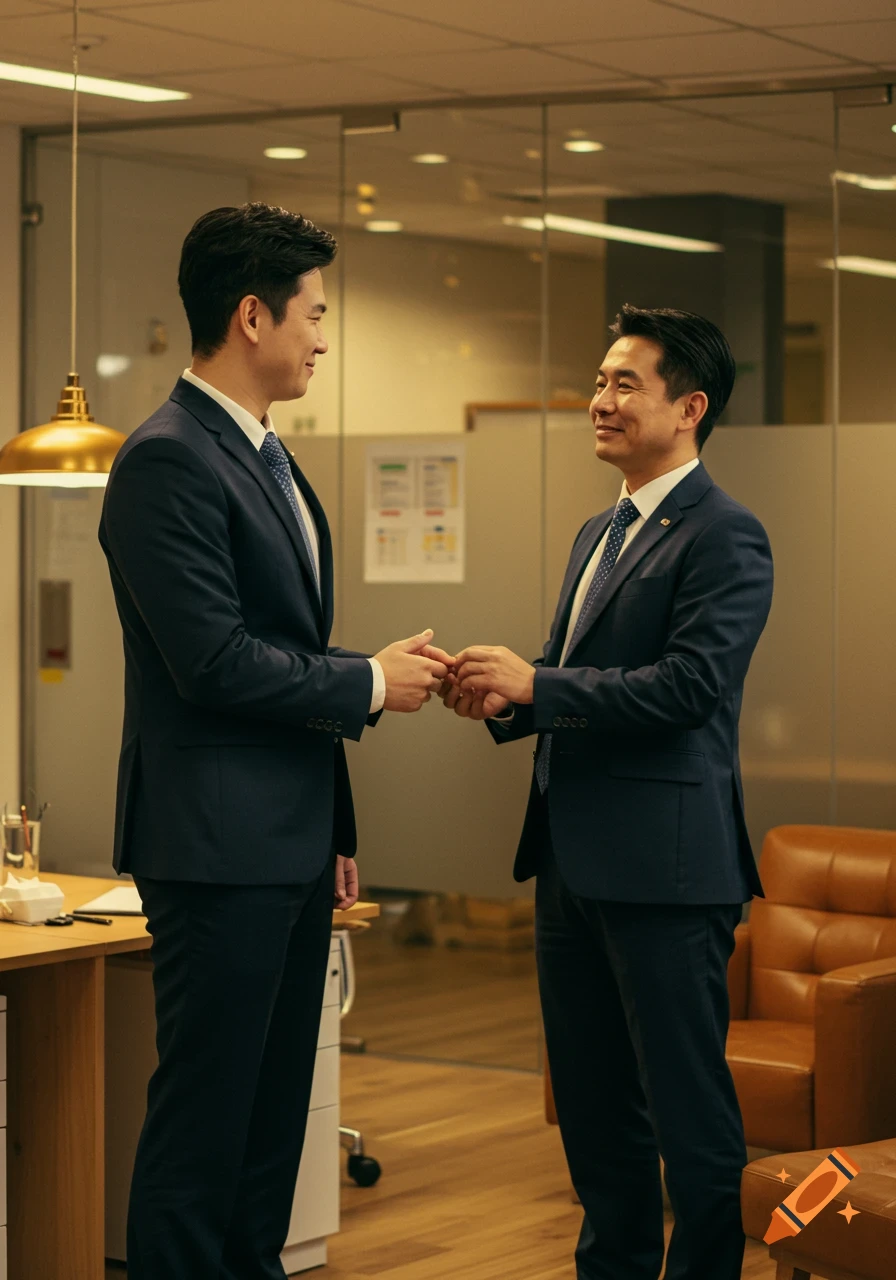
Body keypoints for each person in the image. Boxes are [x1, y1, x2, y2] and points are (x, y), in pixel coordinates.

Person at [99, 202, 453, 1280]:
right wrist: (365, 681)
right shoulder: (166, 459)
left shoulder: (266, 458)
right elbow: (212, 661)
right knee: (206, 1125)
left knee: (268, 1130)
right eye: (313, 312)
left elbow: (279, 650)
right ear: (251, 315)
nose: (323, 336)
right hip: (213, 849)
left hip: (287, 846)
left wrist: (333, 823)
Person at [441, 305, 773, 1280]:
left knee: (685, 1108)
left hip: (667, 871)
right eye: (597, 381)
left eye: (624, 382)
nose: (598, 400)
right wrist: (504, 695)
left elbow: (687, 688)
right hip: (570, 861)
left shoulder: (725, 534)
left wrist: (538, 683)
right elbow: (588, 681)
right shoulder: (599, 530)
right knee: (592, 1108)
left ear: (690, 406)